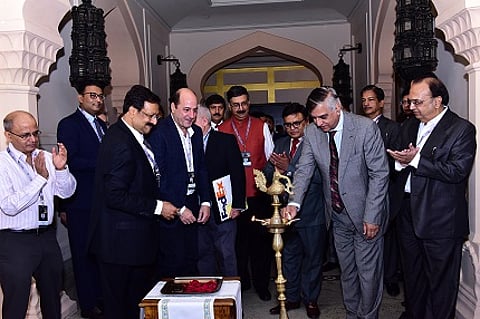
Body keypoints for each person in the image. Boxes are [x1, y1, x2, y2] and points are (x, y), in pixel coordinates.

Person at [284, 87, 389, 319]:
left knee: (368, 274)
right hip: (338, 215)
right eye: (314, 118)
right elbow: (304, 170)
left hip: (365, 214)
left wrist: (372, 216)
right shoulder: (312, 133)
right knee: (348, 272)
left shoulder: (364, 128)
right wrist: (294, 203)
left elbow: (379, 174)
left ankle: (368, 317)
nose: (319, 123)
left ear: (338, 108)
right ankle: (353, 314)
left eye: (324, 117)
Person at [387, 75, 476, 319]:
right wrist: (400, 162)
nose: (411, 107)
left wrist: (414, 160)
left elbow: (457, 172)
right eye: (410, 101)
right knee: (413, 278)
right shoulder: (409, 125)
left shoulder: (461, 129)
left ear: (437, 101)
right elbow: (399, 163)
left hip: (440, 219)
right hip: (407, 213)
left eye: (418, 102)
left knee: (440, 284)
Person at [87, 85, 177, 319]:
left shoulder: (132, 136)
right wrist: (158, 207)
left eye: (157, 116)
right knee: (121, 308)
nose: (154, 122)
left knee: (133, 304)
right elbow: (115, 195)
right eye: (149, 116)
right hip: (121, 246)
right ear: (131, 111)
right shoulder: (120, 142)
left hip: (131, 244)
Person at [0, 110, 77, 319]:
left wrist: (61, 170)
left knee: (53, 297)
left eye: (35, 133)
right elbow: (9, 205)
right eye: (25, 135)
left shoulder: (45, 157)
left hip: (46, 237)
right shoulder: (2, 165)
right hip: (15, 241)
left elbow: (67, 191)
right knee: (16, 303)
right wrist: (40, 180)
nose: (32, 139)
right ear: (8, 135)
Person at [265, 103, 326, 319]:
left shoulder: (317, 142)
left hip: (312, 213)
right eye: (288, 125)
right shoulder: (280, 143)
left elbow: (321, 178)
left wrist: (289, 167)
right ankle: (291, 298)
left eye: (297, 123)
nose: (292, 128)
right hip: (285, 216)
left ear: (306, 122)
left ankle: (311, 300)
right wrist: (276, 169)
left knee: (312, 260)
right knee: (288, 257)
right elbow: (268, 170)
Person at [218, 85, 274, 301]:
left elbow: (270, 159)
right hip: (234, 198)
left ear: (249, 103)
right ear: (229, 107)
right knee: (237, 244)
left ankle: (262, 285)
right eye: (236, 105)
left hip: (259, 196)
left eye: (244, 103)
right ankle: (242, 283)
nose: (241, 108)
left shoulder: (261, 126)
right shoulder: (221, 129)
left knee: (261, 244)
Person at [57, 80, 107, 319]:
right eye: (92, 96)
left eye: (99, 96)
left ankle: (101, 297)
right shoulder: (68, 125)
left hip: (102, 202)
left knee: (101, 252)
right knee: (82, 254)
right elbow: (70, 161)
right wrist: (104, 164)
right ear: (80, 98)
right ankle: (88, 304)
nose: (97, 100)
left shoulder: (103, 126)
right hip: (80, 201)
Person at [148, 88, 211, 278]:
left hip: (193, 203)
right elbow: (160, 177)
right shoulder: (159, 132)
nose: (191, 116)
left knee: (192, 259)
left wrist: (206, 202)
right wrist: (180, 208)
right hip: (170, 208)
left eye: (194, 110)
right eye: (186, 110)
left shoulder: (197, 133)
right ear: (173, 107)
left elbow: (201, 169)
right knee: (173, 262)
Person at [194, 105, 246, 276]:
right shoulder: (187, 142)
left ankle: (229, 298)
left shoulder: (225, 140)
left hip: (224, 208)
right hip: (197, 209)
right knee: (203, 255)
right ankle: (208, 297)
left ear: (203, 121)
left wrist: (238, 204)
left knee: (226, 254)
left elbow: (238, 173)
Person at [360, 84, 401, 297]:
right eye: (364, 100)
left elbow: (394, 163)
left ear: (381, 103)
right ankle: (368, 279)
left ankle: (390, 278)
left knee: (388, 236)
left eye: (371, 100)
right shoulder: (356, 128)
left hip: (386, 190)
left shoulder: (392, 128)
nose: (366, 103)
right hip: (360, 192)